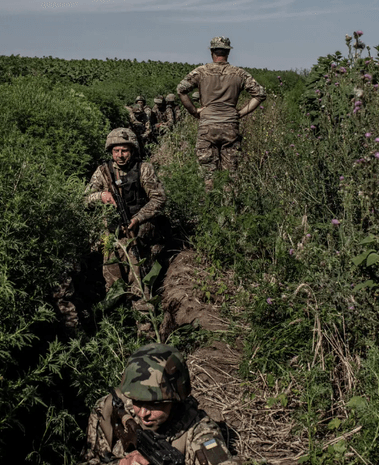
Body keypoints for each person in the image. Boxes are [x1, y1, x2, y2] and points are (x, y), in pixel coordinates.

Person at [81, 343, 238, 465]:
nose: (143, 413)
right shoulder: (110, 407)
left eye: (155, 404)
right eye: (137, 402)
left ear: (175, 399)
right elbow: (88, 460)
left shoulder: (199, 433)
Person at [84, 129, 167, 313]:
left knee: (139, 281)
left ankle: (145, 326)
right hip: (111, 237)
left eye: (124, 151)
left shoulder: (144, 169)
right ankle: (117, 326)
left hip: (137, 234)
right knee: (113, 283)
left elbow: (159, 199)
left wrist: (138, 218)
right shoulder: (103, 171)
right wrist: (101, 196)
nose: (120, 155)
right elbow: (84, 198)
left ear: (132, 150)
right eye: (116, 151)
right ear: (111, 152)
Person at [177, 37, 266, 189]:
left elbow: (181, 90)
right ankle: (230, 208)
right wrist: (240, 113)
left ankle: (210, 208)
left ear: (212, 52)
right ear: (228, 53)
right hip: (230, 126)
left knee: (207, 176)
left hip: (207, 126)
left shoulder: (201, 72)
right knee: (230, 177)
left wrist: (195, 112)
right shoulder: (239, 74)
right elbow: (260, 94)